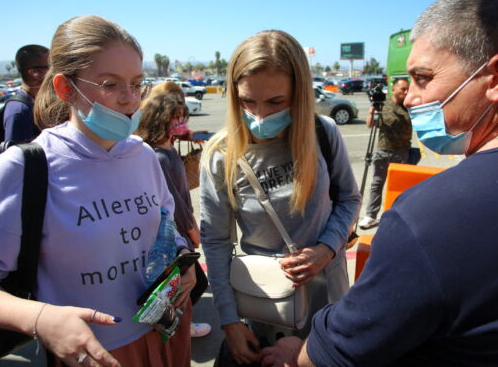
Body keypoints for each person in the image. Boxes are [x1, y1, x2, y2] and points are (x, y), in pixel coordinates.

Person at [261, 0, 498, 367]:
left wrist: (296, 352)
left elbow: (339, 351)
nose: (410, 97)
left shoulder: (430, 216)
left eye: (423, 78)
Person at [0, 15, 196, 367]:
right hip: (95, 353)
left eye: (137, 84)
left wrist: (183, 261)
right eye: (110, 84)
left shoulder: (143, 155)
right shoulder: (26, 167)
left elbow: (166, 227)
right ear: (65, 88)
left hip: (168, 331)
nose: (130, 100)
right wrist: (40, 318)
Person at [200, 30, 361, 365]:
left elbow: (348, 199)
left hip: (327, 300)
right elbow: (215, 241)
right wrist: (229, 320)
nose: (259, 116)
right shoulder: (221, 153)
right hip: (263, 305)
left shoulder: (323, 133)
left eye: (275, 102)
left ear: (299, 94)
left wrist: (326, 249)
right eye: (247, 101)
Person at [136, 92, 211, 339]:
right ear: (160, 119)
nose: (181, 123)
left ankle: (178, 323)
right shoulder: (158, 156)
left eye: (182, 118)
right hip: (176, 231)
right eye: (176, 118)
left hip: (182, 227)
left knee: (189, 283)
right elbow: (173, 202)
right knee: (191, 283)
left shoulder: (168, 145)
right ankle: (177, 325)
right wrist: (190, 229)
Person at [358, 77, 412, 230]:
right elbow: (370, 124)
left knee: (399, 187)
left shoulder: (408, 106)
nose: (406, 92)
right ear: (393, 90)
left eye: (407, 89)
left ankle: (397, 216)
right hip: (384, 151)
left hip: (402, 152)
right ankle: (371, 216)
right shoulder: (383, 104)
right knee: (377, 184)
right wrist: (372, 112)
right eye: (403, 89)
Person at [3, 44, 49, 144]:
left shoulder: (36, 102)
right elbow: (18, 151)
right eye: (50, 67)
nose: (55, 71)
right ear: (35, 73)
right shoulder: (19, 110)